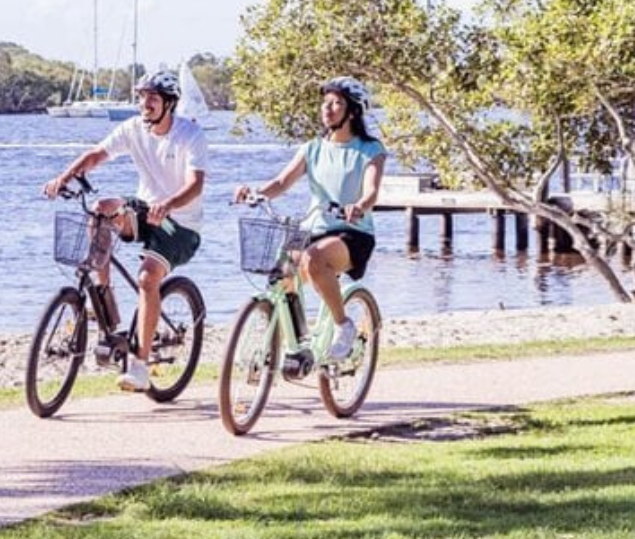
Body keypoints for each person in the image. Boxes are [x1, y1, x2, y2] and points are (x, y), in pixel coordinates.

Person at [43, 70, 209, 392]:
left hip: (181, 224)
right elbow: (96, 154)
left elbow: (195, 184)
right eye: (142, 96)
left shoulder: (190, 135)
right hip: (145, 210)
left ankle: (140, 365)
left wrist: (170, 204)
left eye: (153, 98)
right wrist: (63, 178)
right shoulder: (133, 128)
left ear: (169, 104)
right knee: (101, 209)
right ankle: (105, 301)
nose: (145, 103)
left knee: (148, 279)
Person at [233, 76, 386, 360]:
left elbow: (372, 190)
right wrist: (255, 192)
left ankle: (344, 325)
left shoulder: (370, 150)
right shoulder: (313, 148)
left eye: (336, 103)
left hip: (352, 232)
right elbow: (281, 182)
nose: (327, 108)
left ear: (352, 111)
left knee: (314, 259)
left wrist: (360, 205)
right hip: (313, 228)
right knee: (280, 275)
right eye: (325, 102)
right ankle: (291, 345)